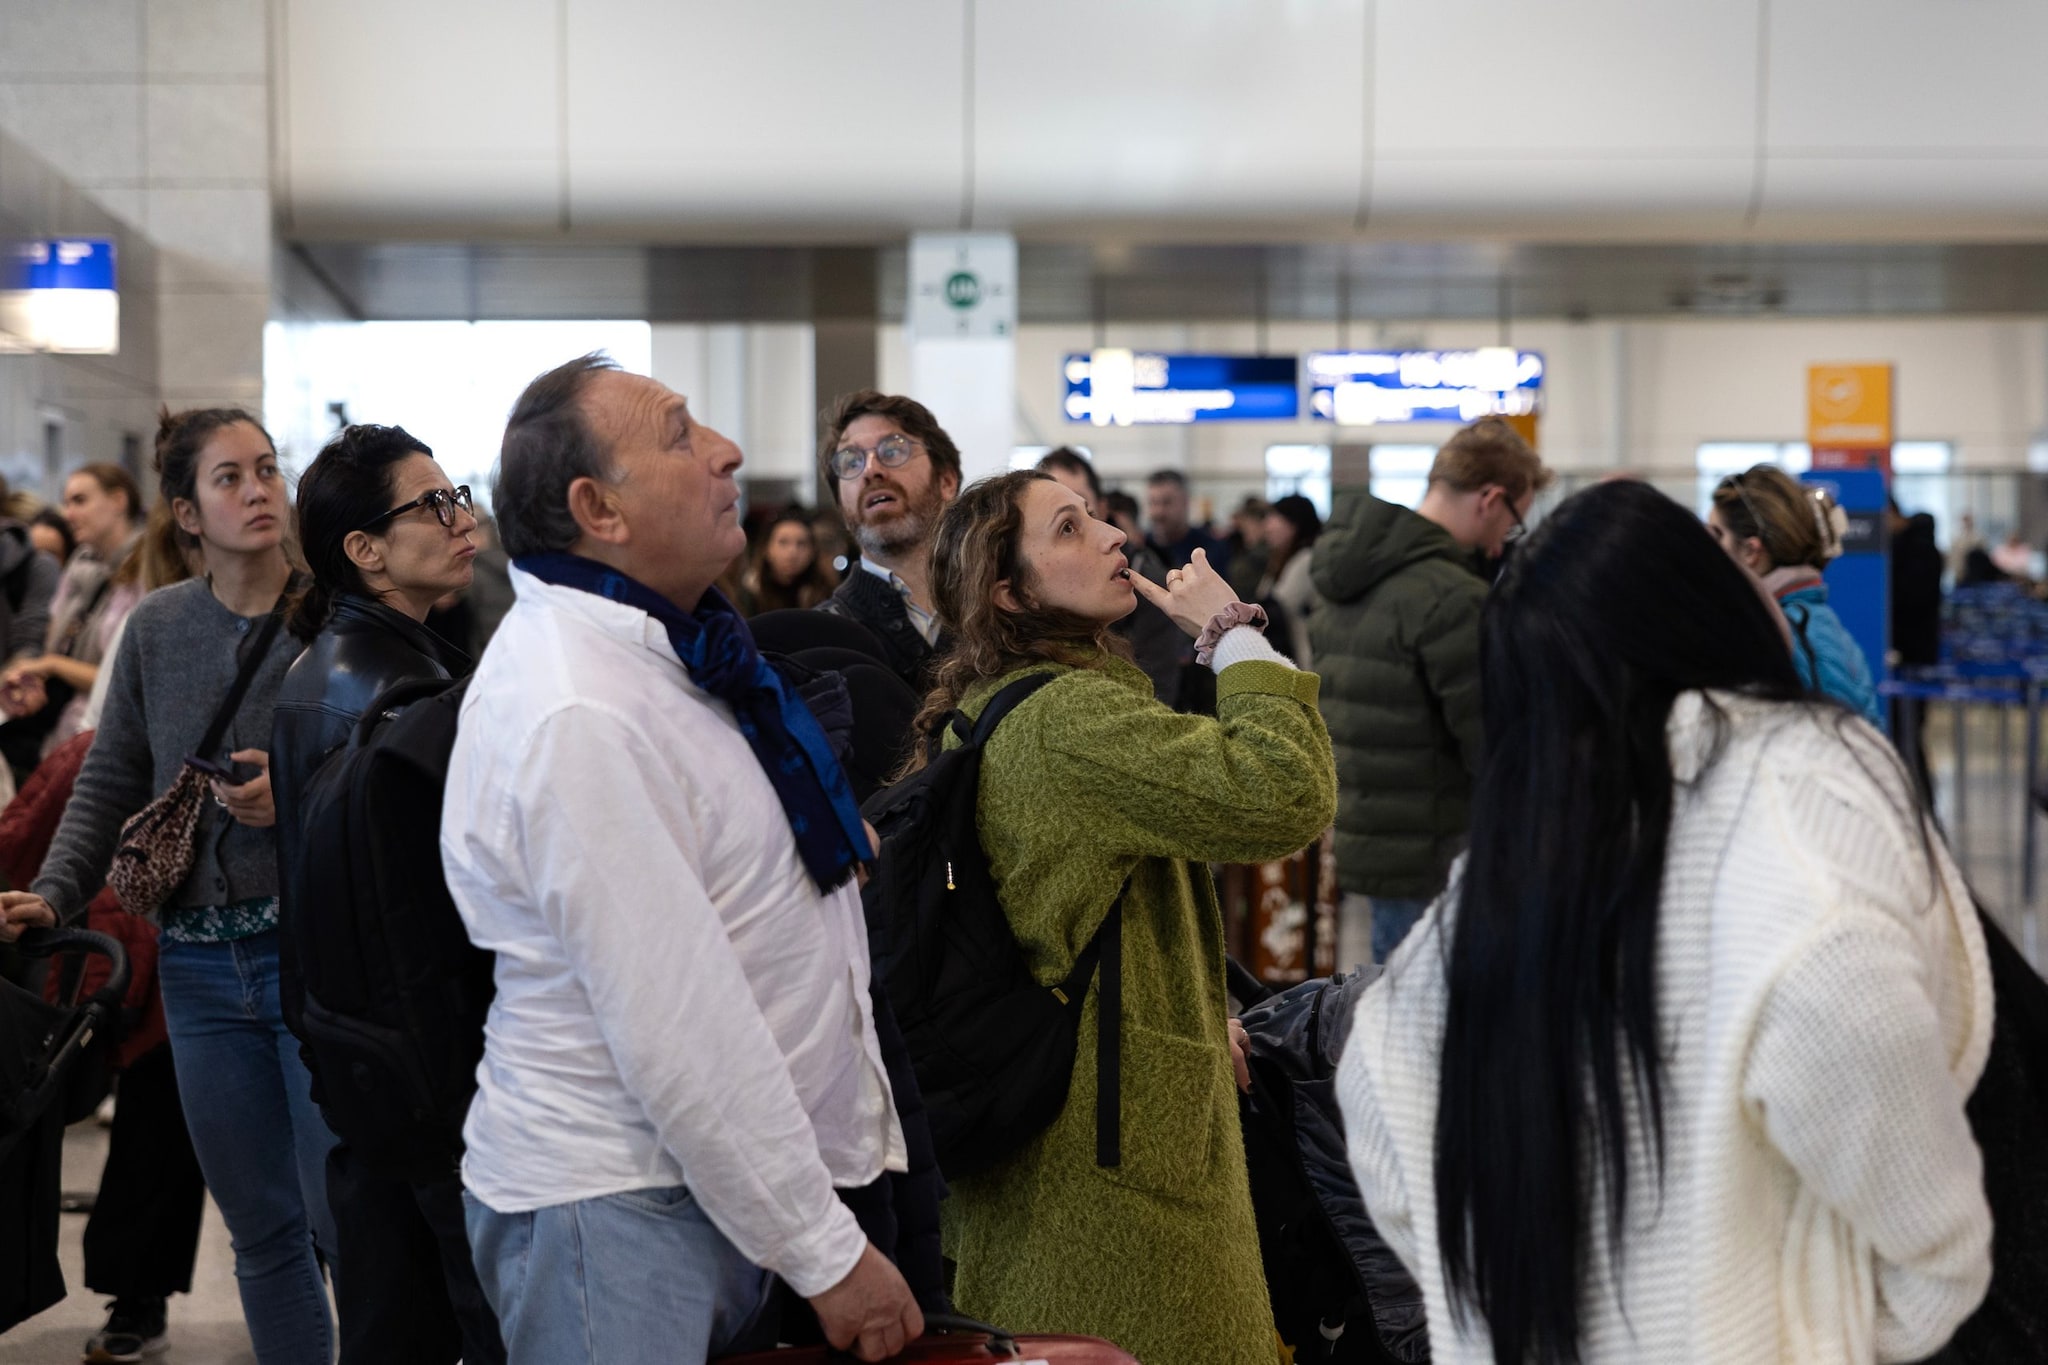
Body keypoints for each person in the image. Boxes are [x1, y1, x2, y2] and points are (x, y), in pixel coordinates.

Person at [1337, 479, 1993, 1364]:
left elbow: (1388, 1142)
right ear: (1718, 610)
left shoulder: (1468, 913)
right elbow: (1938, 1249)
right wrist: (1813, 1324)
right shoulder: (1811, 832)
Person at [443, 354, 923, 1363]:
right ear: (598, 509)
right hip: (619, 1209)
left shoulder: (670, 652)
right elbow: (674, 1018)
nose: (727, 451)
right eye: (680, 437)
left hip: (704, 1191)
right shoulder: (578, 706)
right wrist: (825, 1251)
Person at [920, 469, 1336, 1364]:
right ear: (1009, 591)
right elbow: (1284, 788)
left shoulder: (991, 704)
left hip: (1062, 1142)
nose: (1113, 535)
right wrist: (1230, 632)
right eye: (1069, 528)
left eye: (1097, 517)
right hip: (1114, 1172)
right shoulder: (1068, 718)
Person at [0, 407, 339, 1364]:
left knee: (343, 1215)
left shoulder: (333, 618)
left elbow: (382, 765)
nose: (259, 490)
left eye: (267, 469)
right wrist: (56, 893)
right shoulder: (158, 626)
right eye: (230, 477)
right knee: (262, 1228)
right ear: (187, 512)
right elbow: (110, 776)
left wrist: (297, 792)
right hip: (197, 968)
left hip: (311, 954)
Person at [269, 423, 503, 1365]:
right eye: (433, 504)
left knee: (392, 1329)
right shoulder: (392, 694)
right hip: (427, 1071)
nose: (462, 519)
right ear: (364, 550)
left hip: (363, 1061)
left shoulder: (328, 668)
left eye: (458, 495)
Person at [1310, 416, 1552, 965]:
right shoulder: (1451, 596)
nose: (1503, 542)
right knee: (1442, 1004)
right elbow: (1492, 742)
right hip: (1440, 852)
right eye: (1514, 522)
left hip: (1373, 838)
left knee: (1393, 995)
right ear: (1490, 499)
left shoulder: (1350, 576)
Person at [1708, 464, 1882, 724]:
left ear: (1751, 551)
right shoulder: (1813, 623)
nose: (1707, 551)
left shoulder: (1783, 635)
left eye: (1716, 537)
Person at [0, 463, 149, 764]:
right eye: (67, 503)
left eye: (80, 501)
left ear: (118, 500)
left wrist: (53, 665)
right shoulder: (82, 564)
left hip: (108, 740)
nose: (69, 514)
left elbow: (130, 679)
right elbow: (50, 641)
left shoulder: (147, 571)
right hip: (65, 736)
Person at [816, 390, 962, 692]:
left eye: (893, 450)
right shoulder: (820, 639)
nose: (871, 470)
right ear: (842, 506)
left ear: (946, 482)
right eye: (851, 461)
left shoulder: (1003, 618)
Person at [1037, 447, 1184, 706]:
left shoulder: (1147, 584)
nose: (1118, 537)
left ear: (1102, 509)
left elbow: (1158, 697)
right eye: (1066, 525)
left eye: (1085, 510)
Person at [1257, 494, 1322, 667]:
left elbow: (1280, 605)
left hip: (1304, 659)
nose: (1267, 527)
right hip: (1290, 657)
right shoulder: (1280, 560)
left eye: (1274, 519)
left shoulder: (1306, 559)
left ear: (1294, 525)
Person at [739, 508, 838, 614]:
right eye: (783, 542)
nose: (793, 552)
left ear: (813, 551)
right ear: (766, 549)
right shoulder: (750, 593)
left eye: (801, 543)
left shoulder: (826, 594)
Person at [1143, 468, 1231, 575]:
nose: (1159, 511)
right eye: (1153, 502)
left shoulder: (1210, 550)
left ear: (1185, 502)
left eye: (1167, 502)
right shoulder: (1141, 548)